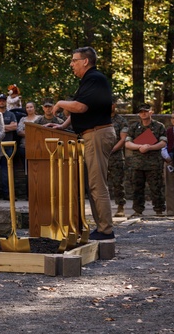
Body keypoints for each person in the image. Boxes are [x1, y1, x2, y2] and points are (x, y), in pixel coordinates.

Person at [53, 46, 116, 239]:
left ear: (85, 61)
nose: (71, 64)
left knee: (97, 185)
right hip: (92, 134)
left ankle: (106, 230)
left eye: (74, 60)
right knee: (93, 185)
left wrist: (60, 103)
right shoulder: (89, 80)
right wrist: (63, 126)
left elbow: (80, 107)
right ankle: (102, 228)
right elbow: (83, 110)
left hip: (97, 134)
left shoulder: (94, 78)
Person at [124, 103, 167, 216]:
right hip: (137, 164)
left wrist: (150, 147)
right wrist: (140, 147)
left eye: (146, 111)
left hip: (154, 164)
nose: (143, 114)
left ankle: (159, 210)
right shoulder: (134, 127)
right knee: (137, 188)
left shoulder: (159, 126)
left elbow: (163, 142)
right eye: (141, 112)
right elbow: (127, 143)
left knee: (156, 188)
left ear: (151, 112)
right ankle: (138, 211)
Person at [0, 93, 18, 201]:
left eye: (3, 100)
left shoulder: (11, 114)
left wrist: (0, 127)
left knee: (7, 171)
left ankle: (8, 194)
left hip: (8, 145)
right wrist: (6, 127)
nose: (1, 102)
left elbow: (14, 127)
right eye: (0, 100)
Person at [109, 102, 129, 217]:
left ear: (114, 105)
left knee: (118, 183)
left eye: (111, 104)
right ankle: (101, 208)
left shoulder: (121, 121)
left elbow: (123, 139)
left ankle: (120, 207)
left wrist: (111, 150)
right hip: (101, 156)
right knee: (99, 184)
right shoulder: (99, 119)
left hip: (115, 157)